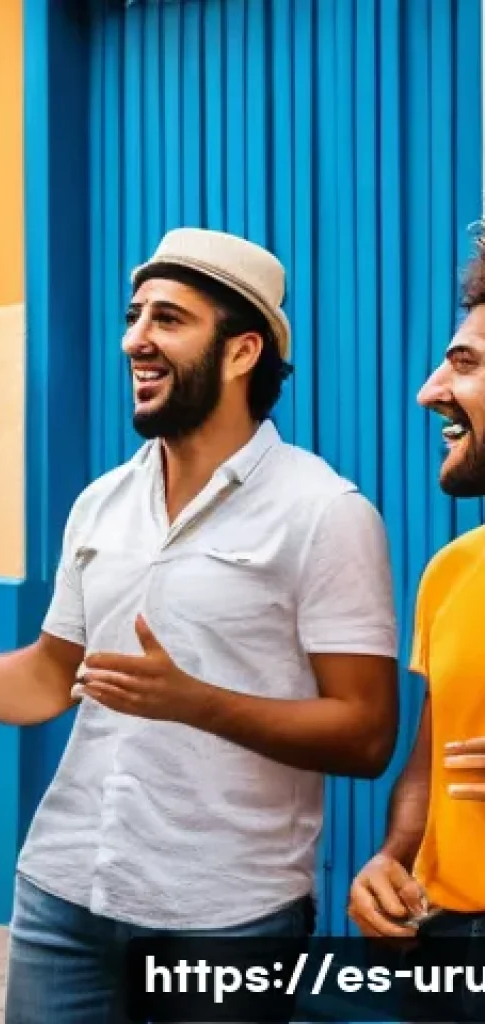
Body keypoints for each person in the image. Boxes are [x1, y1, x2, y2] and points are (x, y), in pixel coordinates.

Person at [0, 228, 400, 1023]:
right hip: (63, 899)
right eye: (135, 317)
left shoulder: (326, 514)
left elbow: (367, 735)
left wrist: (196, 701)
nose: (135, 339)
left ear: (241, 351)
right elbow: (51, 676)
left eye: (168, 318)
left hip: (227, 922)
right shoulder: (103, 502)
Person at [348, 237, 485, 1021]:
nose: (430, 389)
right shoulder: (452, 570)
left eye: (464, 364)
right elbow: (431, 760)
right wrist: (393, 860)